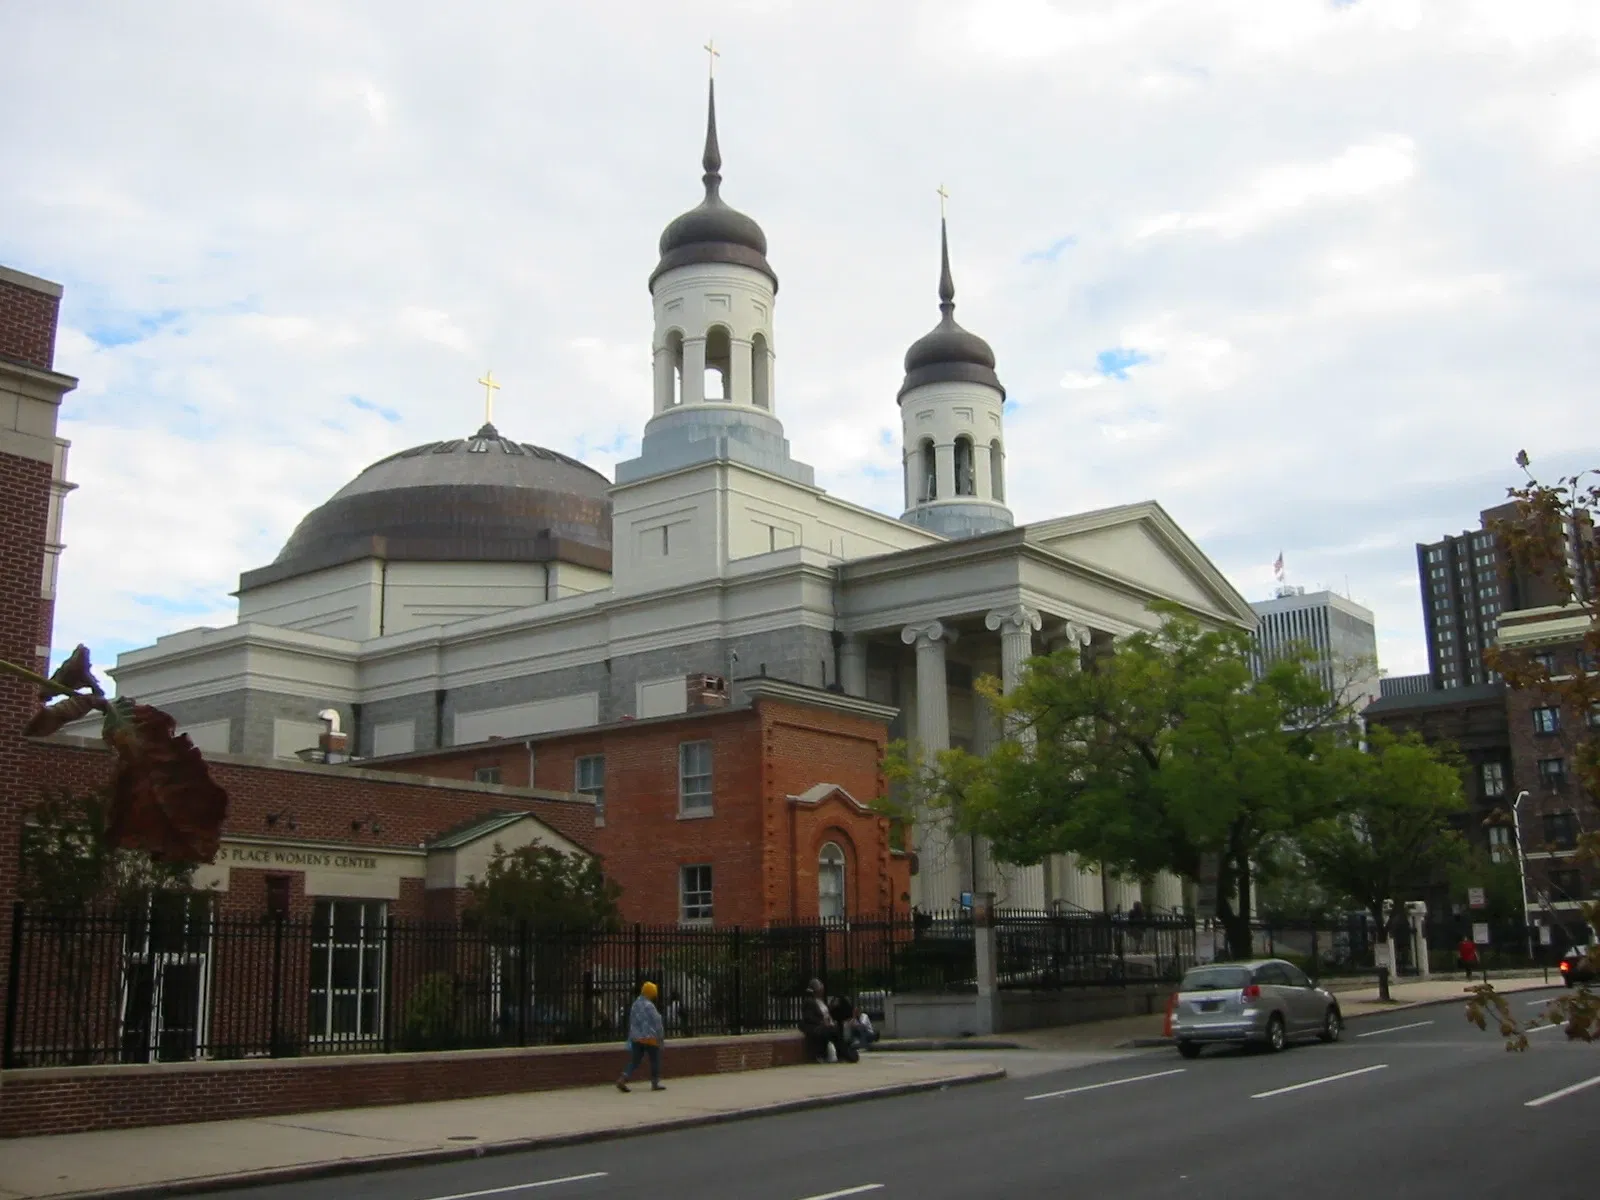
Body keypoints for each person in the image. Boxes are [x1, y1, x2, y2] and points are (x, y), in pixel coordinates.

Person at [616, 981, 666, 1093]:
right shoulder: (650, 1006)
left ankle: (623, 1078)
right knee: (654, 1060)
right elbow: (657, 1022)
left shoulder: (635, 1004)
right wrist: (660, 1038)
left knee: (635, 1060)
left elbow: (632, 1021)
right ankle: (655, 1083)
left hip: (636, 1037)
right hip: (650, 1037)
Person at [799, 979, 857, 1064]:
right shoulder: (809, 1002)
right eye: (820, 989)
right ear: (816, 990)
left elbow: (826, 1013)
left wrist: (832, 1009)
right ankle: (844, 1054)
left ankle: (844, 1054)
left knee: (837, 1029)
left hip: (827, 1025)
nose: (822, 991)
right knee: (833, 1032)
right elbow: (809, 1017)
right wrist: (822, 1022)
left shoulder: (821, 1001)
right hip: (817, 1027)